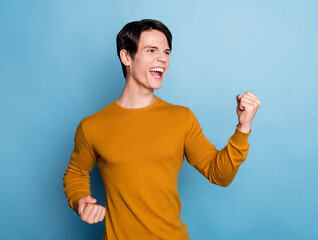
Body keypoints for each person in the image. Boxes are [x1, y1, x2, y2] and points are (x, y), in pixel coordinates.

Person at [63, 19, 261, 240]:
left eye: (166, 52)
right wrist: (81, 201)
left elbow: (220, 174)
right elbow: (75, 173)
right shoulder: (92, 126)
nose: (162, 59)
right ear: (126, 56)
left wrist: (243, 127)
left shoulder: (181, 118)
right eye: (151, 50)